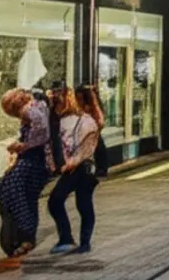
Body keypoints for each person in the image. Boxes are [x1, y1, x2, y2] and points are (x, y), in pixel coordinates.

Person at [0, 89, 51, 262]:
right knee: (28, 197)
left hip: (33, 159)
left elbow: (41, 130)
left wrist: (22, 145)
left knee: (14, 190)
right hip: (38, 161)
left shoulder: (27, 109)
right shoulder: (37, 105)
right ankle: (26, 236)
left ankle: (23, 232)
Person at [47, 86, 102, 255]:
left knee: (62, 201)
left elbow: (86, 147)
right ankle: (78, 241)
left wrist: (70, 162)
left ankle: (72, 240)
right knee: (80, 203)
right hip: (76, 168)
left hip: (81, 168)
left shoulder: (85, 121)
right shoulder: (58, 120)